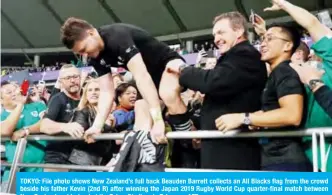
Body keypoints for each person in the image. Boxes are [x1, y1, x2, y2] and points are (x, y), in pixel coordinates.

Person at [60, 18, 190, 144]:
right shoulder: (94, 56)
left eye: (83, 49)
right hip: (151, 78)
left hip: (168, 64)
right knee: (141, 110)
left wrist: (157, 120)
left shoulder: (117, 37)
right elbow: (106, 92)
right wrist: (97, 126)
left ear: (91, 33)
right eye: (80, 54)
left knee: (166, 93)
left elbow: (141, 76)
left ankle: (189, 139)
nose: (84, 55)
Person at [167, 12, 268, 170]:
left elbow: (213, 81)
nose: (216, 39)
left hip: (234, 150)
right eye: (214, 35)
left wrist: (182, 68)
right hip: (222, 145)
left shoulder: (245, 54)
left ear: (239, 31)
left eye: (221, 32)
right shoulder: (233, 56)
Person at [216, 24, 312, 171]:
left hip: (285, 163)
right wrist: (259, 117)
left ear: (287, 45)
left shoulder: (284, 72)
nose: (263, 43)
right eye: (262, 38)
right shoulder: (276, 73)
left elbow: (292, 115)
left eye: (270, 38)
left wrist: (243, 118)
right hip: (274, 159)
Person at [264, 0, 332, 172]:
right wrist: (285, 5)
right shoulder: (299, 70)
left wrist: (314, 82)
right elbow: (312, 23)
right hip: (304, 149)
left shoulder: (310, 73)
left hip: (326, 150)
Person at [0, 81, 47, 190]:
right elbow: (5, 130)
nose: (14, 94)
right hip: (13, 174)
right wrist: (20, 104)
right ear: (1, 100)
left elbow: (47, 122)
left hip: (40, 171)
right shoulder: (3, 116)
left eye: (15, 90)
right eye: (9, 92)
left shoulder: (37, 106)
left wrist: (26, 130)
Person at [40, 64, 83, 171]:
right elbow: (44, 125)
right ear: (61, 82)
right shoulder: (57, 99)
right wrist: (66, 127)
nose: (72, 80)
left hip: (82, 157)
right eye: (68, 78)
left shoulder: (87, 97)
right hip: (58, 157)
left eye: (75, 76)